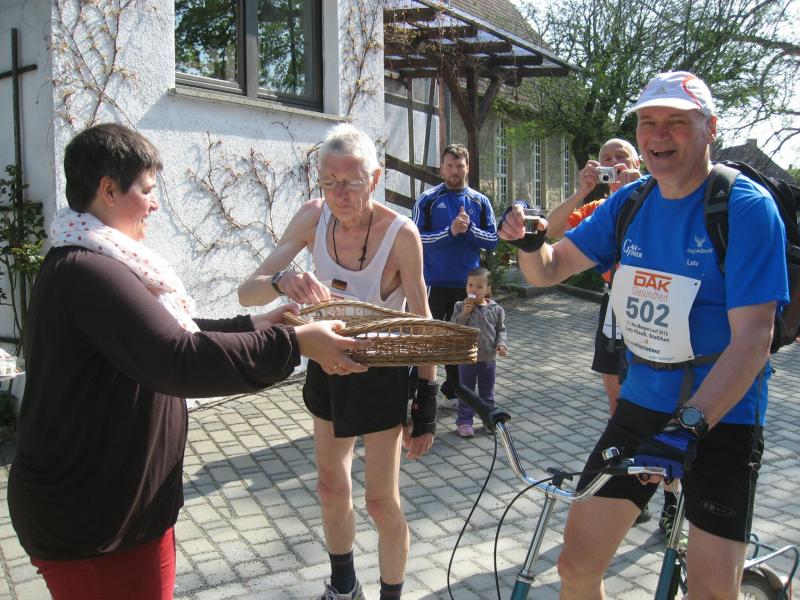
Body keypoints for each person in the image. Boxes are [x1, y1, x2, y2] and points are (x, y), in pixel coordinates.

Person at [7, 123, 369, 600]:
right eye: (146, 190)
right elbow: (177, 359)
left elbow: (174, 332)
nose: (154, 204)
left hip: (125, 512)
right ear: (108, 190)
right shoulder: (86, 272)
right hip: (93, 523)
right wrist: (296, 344)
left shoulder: (101, 262)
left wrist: (259, 325)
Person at [499, 71, 788, 599]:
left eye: (676, 121)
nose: (658, 134)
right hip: (643, 402)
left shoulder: (743, 207)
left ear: (710, 129)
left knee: (710, 592)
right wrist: (531, 242)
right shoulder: (630, 202)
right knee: (575, 565)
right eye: (648, 122)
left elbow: (754, 338)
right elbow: (548, 270)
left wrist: (689, 425)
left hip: (724, 413)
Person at [238, 123, 436, 600]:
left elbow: (423, 320)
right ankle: (344, 588)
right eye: (329, 181)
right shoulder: (313, 217)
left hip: (381, 373)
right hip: (326, 366)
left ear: (375, 179)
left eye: (351, 181)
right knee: (330, 487)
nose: (339, 193)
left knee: (380, 502)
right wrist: (283, 281)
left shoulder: (400, 234)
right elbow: (248, 292)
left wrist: (426, 401)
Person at [546, 137, 641, 411]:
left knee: (653, 384)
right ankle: (619, 431)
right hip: (614, 301)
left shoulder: (657, 196)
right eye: (606, 159)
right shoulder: (598, 209)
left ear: (637, 163)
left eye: (621, 157)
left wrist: (640, 186)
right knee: (613, 384)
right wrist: (581, 191)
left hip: (651, 297)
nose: (614, 163)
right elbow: (551, 230)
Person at [412, 144, 498, 402]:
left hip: (468, 287)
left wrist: (469, 230)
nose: (454, 171)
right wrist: (450, 232)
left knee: (462, 341)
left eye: (459, 166)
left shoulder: (479, 202)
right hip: (433, 283)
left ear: (467, 168)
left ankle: (458, 389)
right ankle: (417, 390)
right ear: (442, 168)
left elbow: (493, 240)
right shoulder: (428, 199)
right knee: (427, 338)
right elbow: (415, 238)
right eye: (449, 165)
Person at [449, 267, 507, 437]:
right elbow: (455, 327)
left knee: (487, 393)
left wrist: (501, 344)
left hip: (488, 358)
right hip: (467, 357)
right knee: (467, 392)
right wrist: (464, 314)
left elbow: (501, 330)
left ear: (488, 289)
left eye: (479, 287)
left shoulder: (496, 309)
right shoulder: (460, 306)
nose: (473, 290)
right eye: (470, 285)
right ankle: (465, 422)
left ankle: (489, 420)